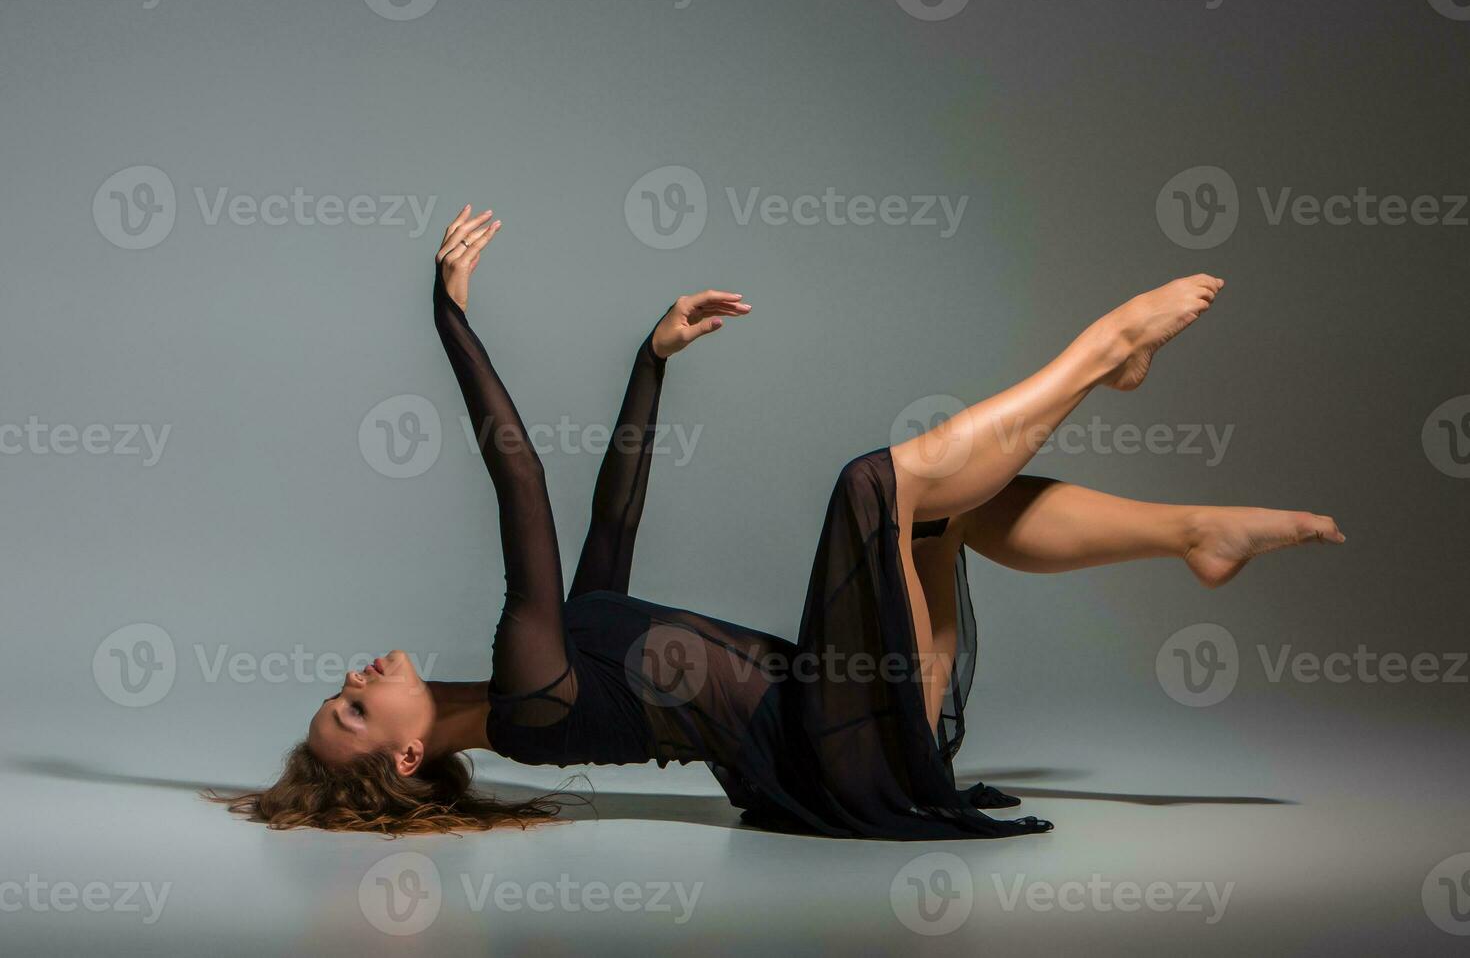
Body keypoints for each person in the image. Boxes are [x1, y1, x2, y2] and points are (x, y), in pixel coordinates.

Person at [214, 204, 1344, 839]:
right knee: (875, 485)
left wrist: (649, 360)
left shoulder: (546, 668)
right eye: (356, 707)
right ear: (410, 752)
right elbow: (521, 488)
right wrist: (448, 318)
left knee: (949, 510)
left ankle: (1192, 529)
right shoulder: (525, 690)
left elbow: (611, 520)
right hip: (846, 742)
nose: (356, 675)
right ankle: (1103, 354)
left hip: (867, 721)